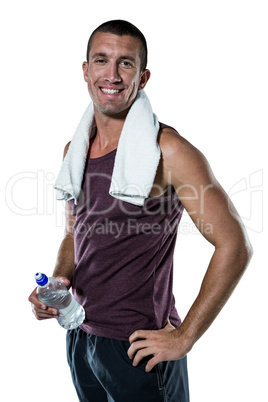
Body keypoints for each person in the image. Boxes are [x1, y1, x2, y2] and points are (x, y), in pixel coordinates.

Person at [29, 19, 253, 402]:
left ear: (143, 77)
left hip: (140, 348)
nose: (112, 75)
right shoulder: (75, 150)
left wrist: (185, 336)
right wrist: (58, 284)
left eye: (126, 64)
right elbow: (74, 233)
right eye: (101, 60)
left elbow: (234, 245)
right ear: (85, 71)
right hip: (82, 337)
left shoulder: (169, 150)